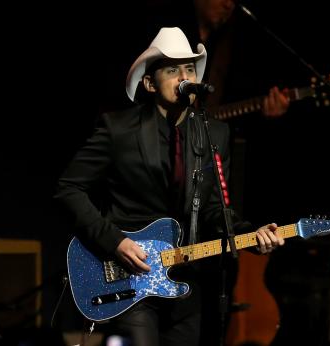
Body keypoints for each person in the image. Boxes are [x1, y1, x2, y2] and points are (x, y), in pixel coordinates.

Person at [53, 27, 285, 346]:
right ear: (150, 83)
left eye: (189, 68)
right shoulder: (118, 130)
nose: (184, 76)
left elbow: (216, 207)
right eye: (172, 69)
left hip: (186, 284)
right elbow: (68, 189)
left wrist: (250, 233)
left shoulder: (213, 134)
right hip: (129, 275)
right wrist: (115, 242)